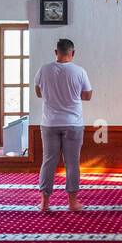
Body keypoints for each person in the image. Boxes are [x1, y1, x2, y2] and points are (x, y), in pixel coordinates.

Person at [34, 38, 93, 211]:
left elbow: (39, 92)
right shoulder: (79, 71)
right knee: (72, 163)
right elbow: (88, 96)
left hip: (49, 123)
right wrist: (73, 96)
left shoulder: (44, 70)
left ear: (56, 52)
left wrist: (52, 95)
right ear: (72, 53)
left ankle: (44, 203)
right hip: (73, 123)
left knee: (48, 161)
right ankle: (72, 203)